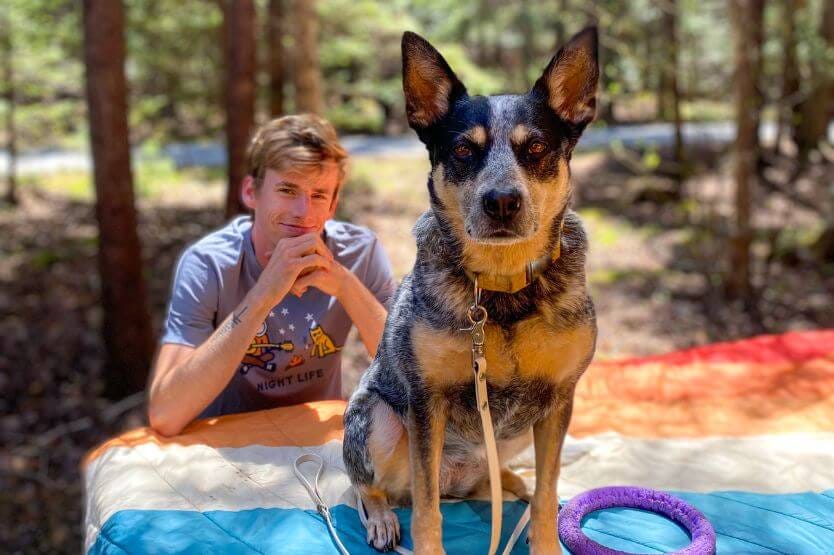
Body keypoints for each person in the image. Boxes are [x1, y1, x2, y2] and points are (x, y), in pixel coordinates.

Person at [147, 114, 396, 436]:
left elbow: (407, 376)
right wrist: (264, 293)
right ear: (252, 192)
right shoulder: (209, 264)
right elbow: (166, 414)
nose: (303, 212)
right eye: (288, 190)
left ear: (333, 204)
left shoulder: (359, 254)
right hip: (224, 442)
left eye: (318, 195)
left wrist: (346, 285)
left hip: (312, 441)